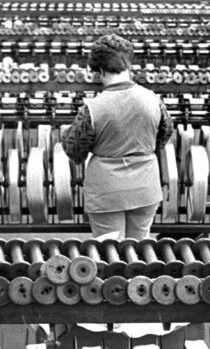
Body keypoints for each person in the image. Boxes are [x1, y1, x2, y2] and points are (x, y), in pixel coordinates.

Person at [60, 34, 173, 240]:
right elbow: (165, 134)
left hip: (107, 192)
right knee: (140, 248)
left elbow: (74, 150)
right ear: (129, 66)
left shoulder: (92, 108)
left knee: (109, 250)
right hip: (145, 187)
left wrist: (65, 134)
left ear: (100, 71)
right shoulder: (154, 100)